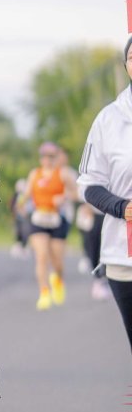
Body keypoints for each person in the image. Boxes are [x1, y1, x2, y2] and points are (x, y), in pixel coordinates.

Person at [77, 36, 132, 347]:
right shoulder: (109, 119)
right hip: (125, 256)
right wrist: (122, 207)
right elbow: (89, 183)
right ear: (125, 65)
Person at [23, 142, 77, 309]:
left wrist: (64, 197)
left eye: (51, 157)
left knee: (57, 262)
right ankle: (44, 292)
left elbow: (76, 193)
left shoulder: (63, 174)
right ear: (41, 158)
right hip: (39, 219)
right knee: (41, 256)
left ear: (56, 158)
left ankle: (58, 279)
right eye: (45, 157)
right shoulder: (35, 174)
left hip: (57, 220)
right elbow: (26, 194)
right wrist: (20, 205)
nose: (48, 160)